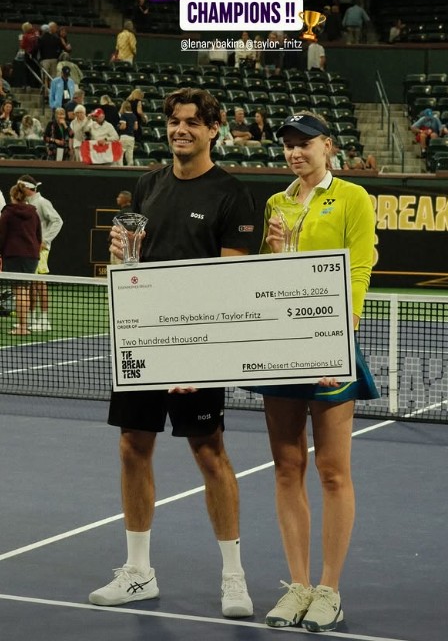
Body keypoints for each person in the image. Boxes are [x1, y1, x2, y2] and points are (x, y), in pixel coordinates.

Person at [89, 87, 255, 618]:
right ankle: (138, 572)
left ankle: (234, 578)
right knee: (132, 447)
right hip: (143, 341)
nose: (180, 129)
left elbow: (232, 281)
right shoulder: (148, 184)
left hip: (197, 346)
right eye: (174, 121)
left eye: (192, 122)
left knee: (210, 453)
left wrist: (198, 354)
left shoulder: (231, 194)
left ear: (213, 129)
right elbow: (132, 265)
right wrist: (121, 257)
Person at [256, 112, 378, 632]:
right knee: (287, 467)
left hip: (331, 343)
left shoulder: (352, 198)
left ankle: (329, 590)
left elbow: (360, 267)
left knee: (332, 471)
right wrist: (274, 251)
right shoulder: (276, 203)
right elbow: (264, 277)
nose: (294, 152)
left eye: (304, 143)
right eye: (288, 144)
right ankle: (298, 586)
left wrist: (336, 342)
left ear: (328, 145)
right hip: (283, 348)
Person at [16, 175, 63, 332]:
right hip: (29, 248)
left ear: (27, 188)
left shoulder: (42, 202)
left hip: (40, 249)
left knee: (39, 283)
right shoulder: (26, 203)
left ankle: (44, 320)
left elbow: (58, 221)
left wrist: (46, 240)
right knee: (30, 283)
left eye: (20, 187)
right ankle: (31, 317)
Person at [0, 182, 42, 335]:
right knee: (24, 289)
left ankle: (23, 327)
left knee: (19, 290)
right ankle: (23, 324)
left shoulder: (8, 213)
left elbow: (1, 235)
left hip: (14, 255)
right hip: (32, 257)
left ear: (12, 196)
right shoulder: (34, 213)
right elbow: (39, 236)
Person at [118, 100, 138, 165]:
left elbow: (123, 126)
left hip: (124, 136)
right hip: (131, 137)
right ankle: (130, 167)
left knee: (120, 154)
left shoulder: (123, 115)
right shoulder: (134, 116)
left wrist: (118, 127)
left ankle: (120, 168)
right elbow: (136, 127)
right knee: (130, 155)